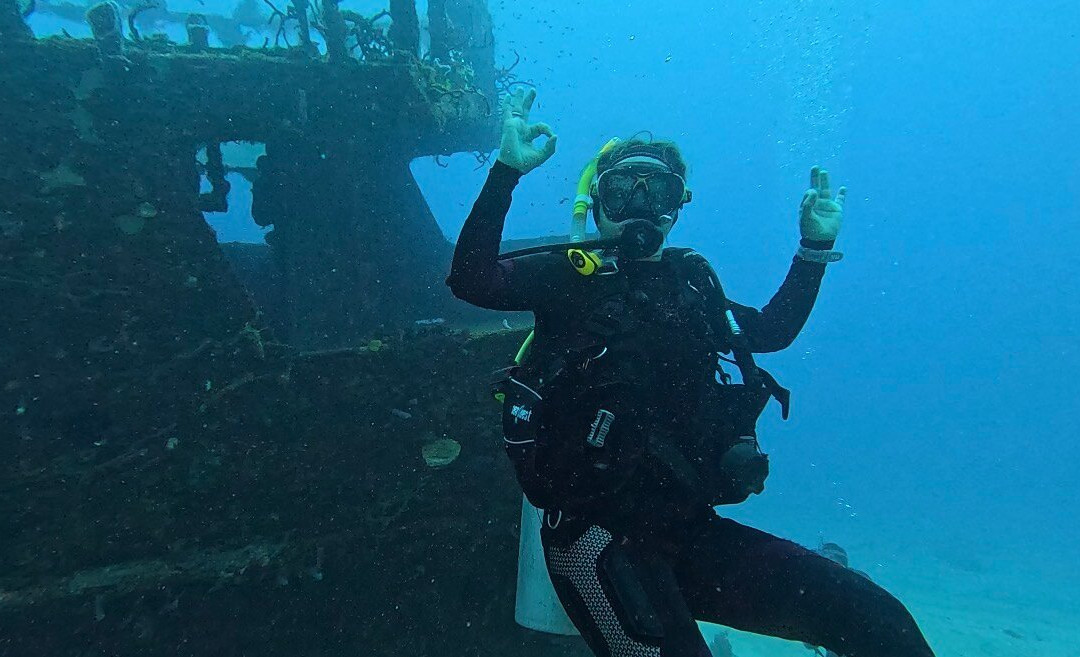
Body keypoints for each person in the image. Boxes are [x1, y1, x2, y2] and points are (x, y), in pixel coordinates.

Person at [447, 88, 935, 657]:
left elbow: (772, 331)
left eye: (657, 191)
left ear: (678, 205)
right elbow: (472, 278)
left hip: (687, 529)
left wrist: (813, 247)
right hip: (594, 539)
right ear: (596, 203)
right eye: (622, 190)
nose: (639, 207)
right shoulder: (568, 279)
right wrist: (506, 171)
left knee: (874, 616)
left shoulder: (695, 285)